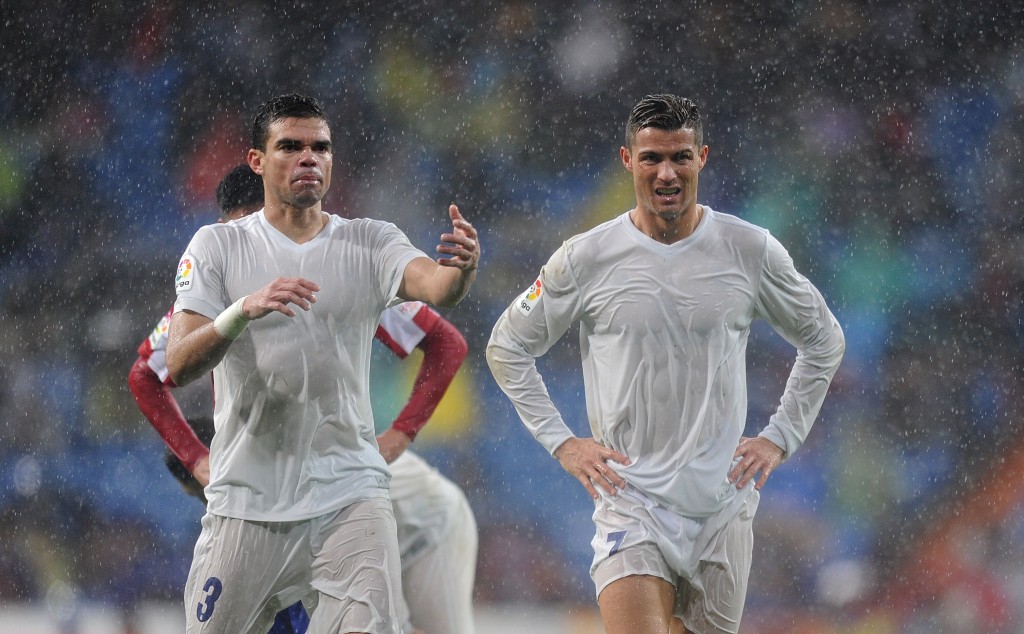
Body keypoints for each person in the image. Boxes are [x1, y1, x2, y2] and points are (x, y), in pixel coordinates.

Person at [486, 94, 844, 634]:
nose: (667, 172)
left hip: (722, 507)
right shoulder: (584, 258)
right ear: (628, 160)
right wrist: (564, 443)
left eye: (680, 156)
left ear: (703, 156)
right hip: (633, 503)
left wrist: (780, 435)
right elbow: (506, 346)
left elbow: (824, 339)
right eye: (652, 157)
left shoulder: (750, 250)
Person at [164, 93, 480, 633]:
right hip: (249, 498)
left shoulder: (370, 242)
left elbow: (437, 289)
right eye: (290, 146)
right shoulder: (215, 247)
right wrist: (242, 311)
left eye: (320, 147)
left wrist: (462, 269)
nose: (308, 157)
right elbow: (177, 364)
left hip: (349, 496)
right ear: (257, 161)